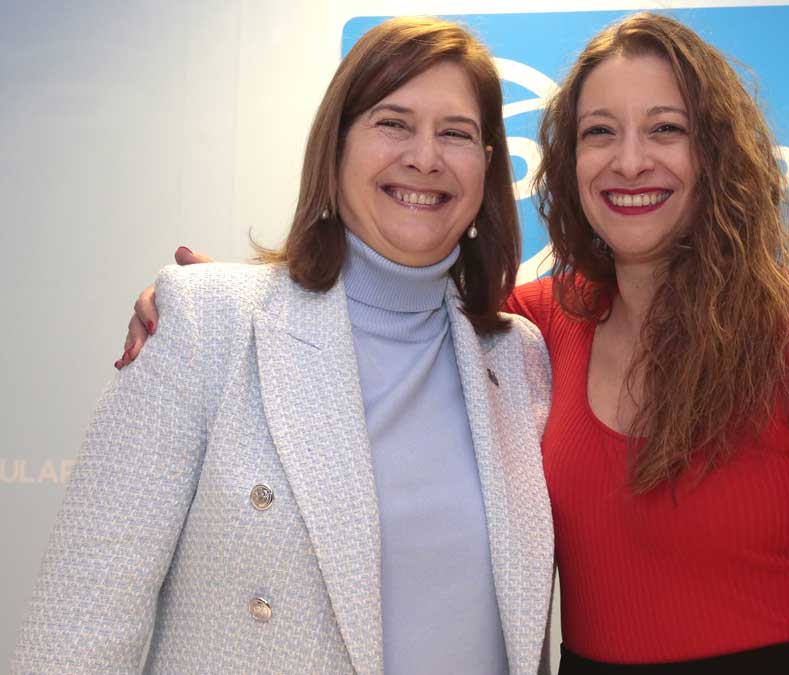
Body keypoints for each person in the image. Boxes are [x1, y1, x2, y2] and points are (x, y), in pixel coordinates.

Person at [114, 12, 789, 674]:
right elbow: (380, 297)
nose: (631, 160)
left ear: (717, 152)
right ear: (567, 159)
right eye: (599, 132)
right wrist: (216, 303)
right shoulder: (540, 325)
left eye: (666, 129)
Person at [12, 17, 553, 675]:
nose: (425, 156)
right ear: (336, 146)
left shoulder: (518, 356)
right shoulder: (205, 321)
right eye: (393, 122)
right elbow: (78, 632)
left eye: (457, 133)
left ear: (489, 164)